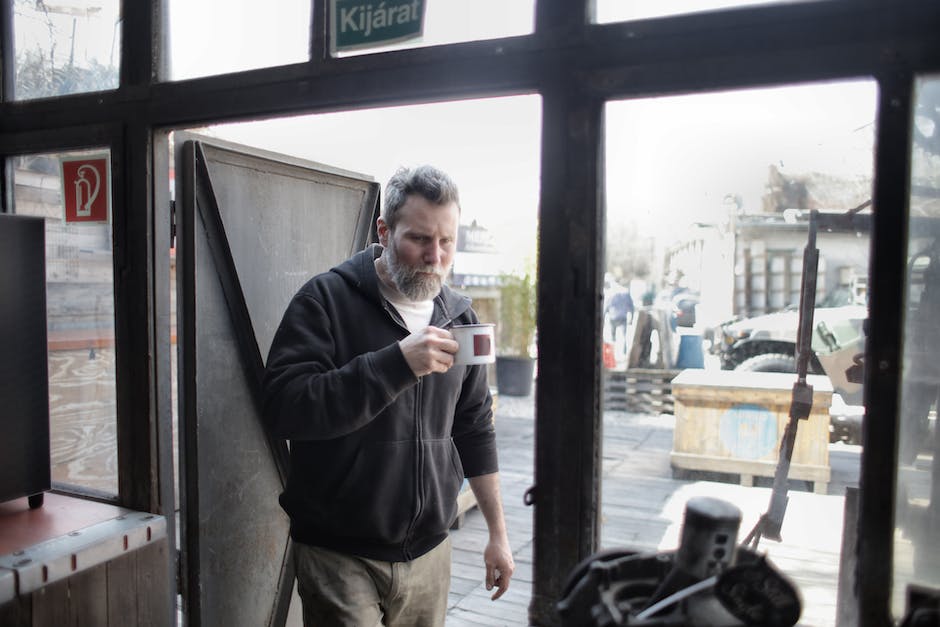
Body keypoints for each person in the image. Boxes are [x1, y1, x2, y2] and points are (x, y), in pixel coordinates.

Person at [262, 165, 514, 626]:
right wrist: (395, 365)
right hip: (339, 553)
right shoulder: (324, 300)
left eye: (447, 242)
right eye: (419, 238)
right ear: (384, 230)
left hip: (431, 553)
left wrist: (498, 534)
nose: (434, 256)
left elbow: (476, 427)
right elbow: (286, 407)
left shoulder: (460, 317)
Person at [605, 286, 634, 353]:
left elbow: (606, 308)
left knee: (613, 336)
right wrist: (631, 319)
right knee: (623, 335)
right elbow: (631, 308)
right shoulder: (626, 295)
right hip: (622, 317)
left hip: (613, 317)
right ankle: (622, 350)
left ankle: (614, 351)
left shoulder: (612, 295)